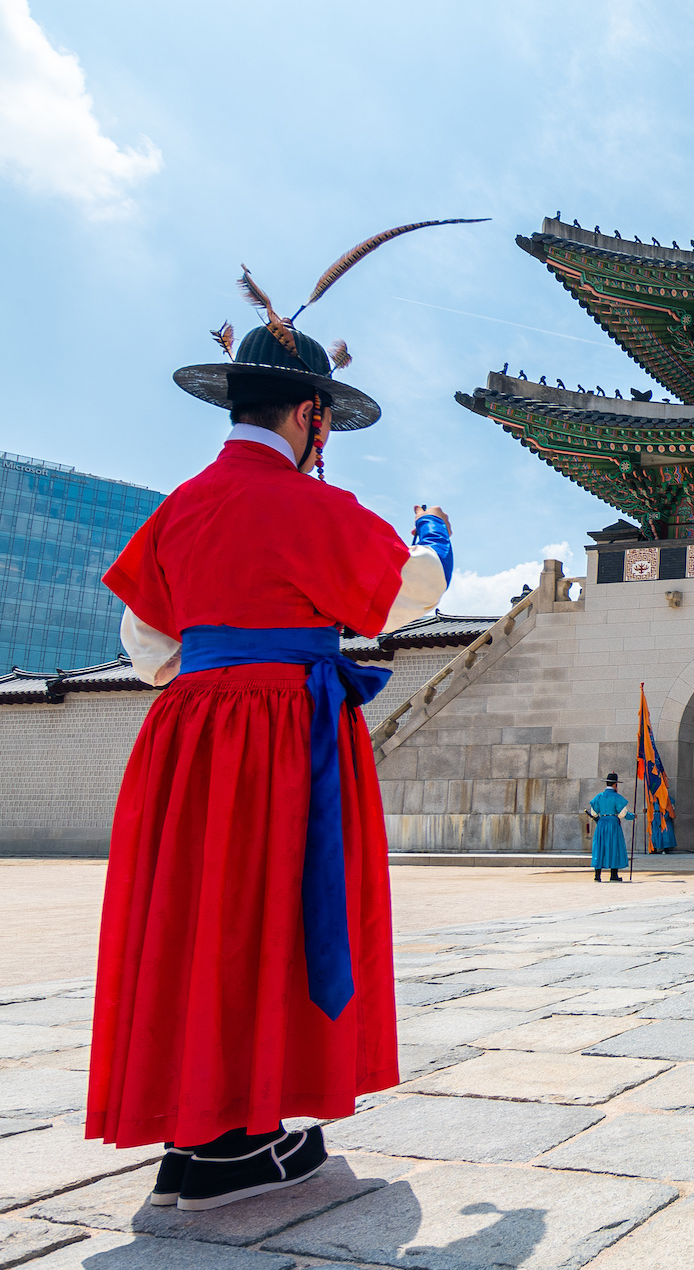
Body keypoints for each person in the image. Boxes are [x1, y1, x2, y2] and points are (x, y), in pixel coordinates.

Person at [92, 299, 455, 1212]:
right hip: (283, 735)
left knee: (196, 918)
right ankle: (237, 1141)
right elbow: (403, 595)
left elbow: (147, 650)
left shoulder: (179, 508)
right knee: (273, 918)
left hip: (186, 736)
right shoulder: (314, 505)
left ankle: (197, 1127)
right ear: (309, 415)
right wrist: (438, 540)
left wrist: (219, 660)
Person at [587, 773, 634, 881]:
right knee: (614, 847)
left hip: (602, 824)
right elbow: (623, 814)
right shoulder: (617, 797)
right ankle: (613, 875)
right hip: (613, 824)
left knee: (600, 847)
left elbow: (594, 813)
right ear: (615, 785)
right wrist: (633, 816)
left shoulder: (599, 796)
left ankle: (597, 875)